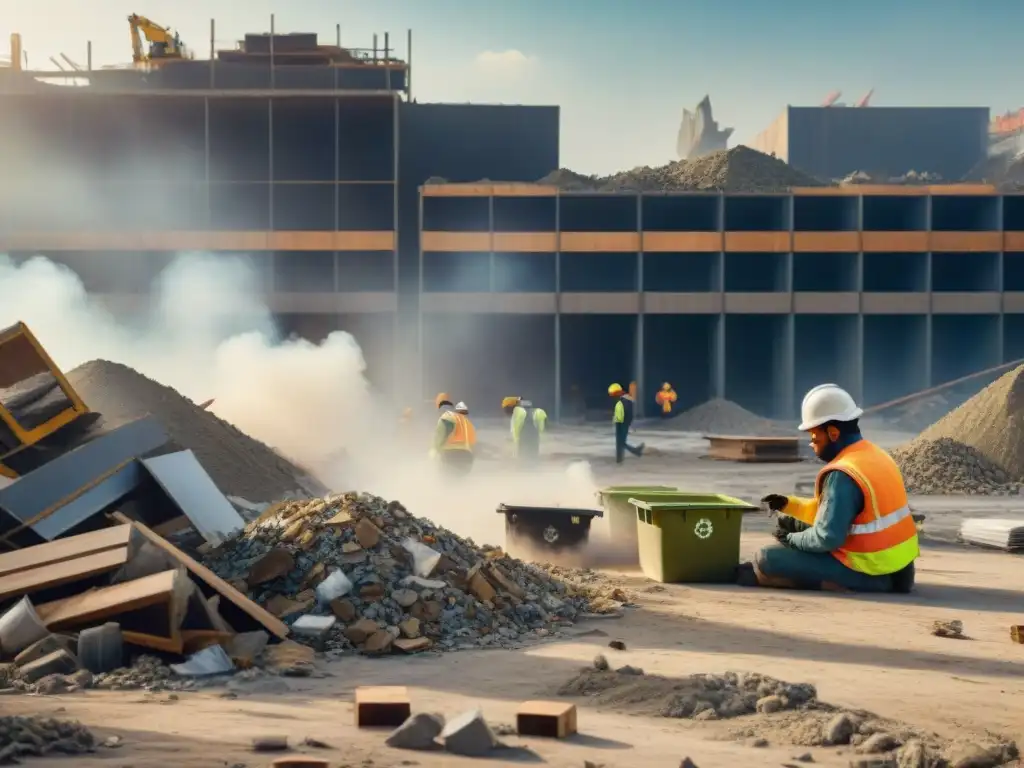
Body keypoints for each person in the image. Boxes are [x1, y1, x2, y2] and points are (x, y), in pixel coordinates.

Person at [737, 383, 919, 593]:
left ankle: (872, 584)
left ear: (833, 433)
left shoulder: (843, 474)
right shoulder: (875, 456)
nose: (812, 444)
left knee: (766, 558)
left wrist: (792, 540)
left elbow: (827, 537)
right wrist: (788, 506)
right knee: (787, 522)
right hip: (899, 566)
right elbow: (833, 512)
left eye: (814, 437)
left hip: (871, 570)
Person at [431, 400, 476, 477]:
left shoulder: (446, 418)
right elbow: (473, 443)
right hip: (467, 457)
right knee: (460, 481)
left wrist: (435, 450)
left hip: (450, 455)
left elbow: (440, 435)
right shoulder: (467, 423)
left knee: (446, 481)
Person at [502, 396, 548, 462]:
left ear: (510, 407)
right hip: (534, 436)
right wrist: (538, 435)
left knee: (523, 456)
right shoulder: (537, 411)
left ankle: (523, 467)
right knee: (533, 454)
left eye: (506, 409)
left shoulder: (517, 411)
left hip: (523, 437)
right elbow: (541, 426)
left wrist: (516, 439)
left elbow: (516, 428)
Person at [608, 383, 644, 464]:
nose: (612, 396)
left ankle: (635, 451)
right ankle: (619, 459)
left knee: (621, 442)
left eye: (613, 394)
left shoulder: (625, 400)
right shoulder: (620, 399)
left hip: (623, 422)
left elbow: (628, 413)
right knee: (619, 442)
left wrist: (628, 423)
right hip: (620, 422)